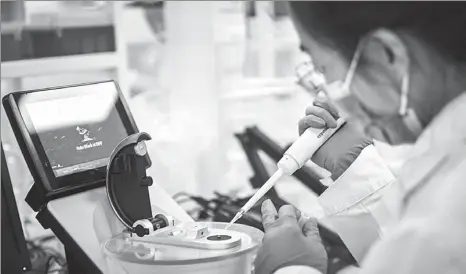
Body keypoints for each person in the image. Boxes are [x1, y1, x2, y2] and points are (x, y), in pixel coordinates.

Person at [254, 2, 466, 274]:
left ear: (385, 55)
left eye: (323, 68)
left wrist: (291, 269)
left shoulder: (445, 217)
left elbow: (423, 244)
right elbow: (400, 255)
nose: (325, 91)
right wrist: (355, 173)